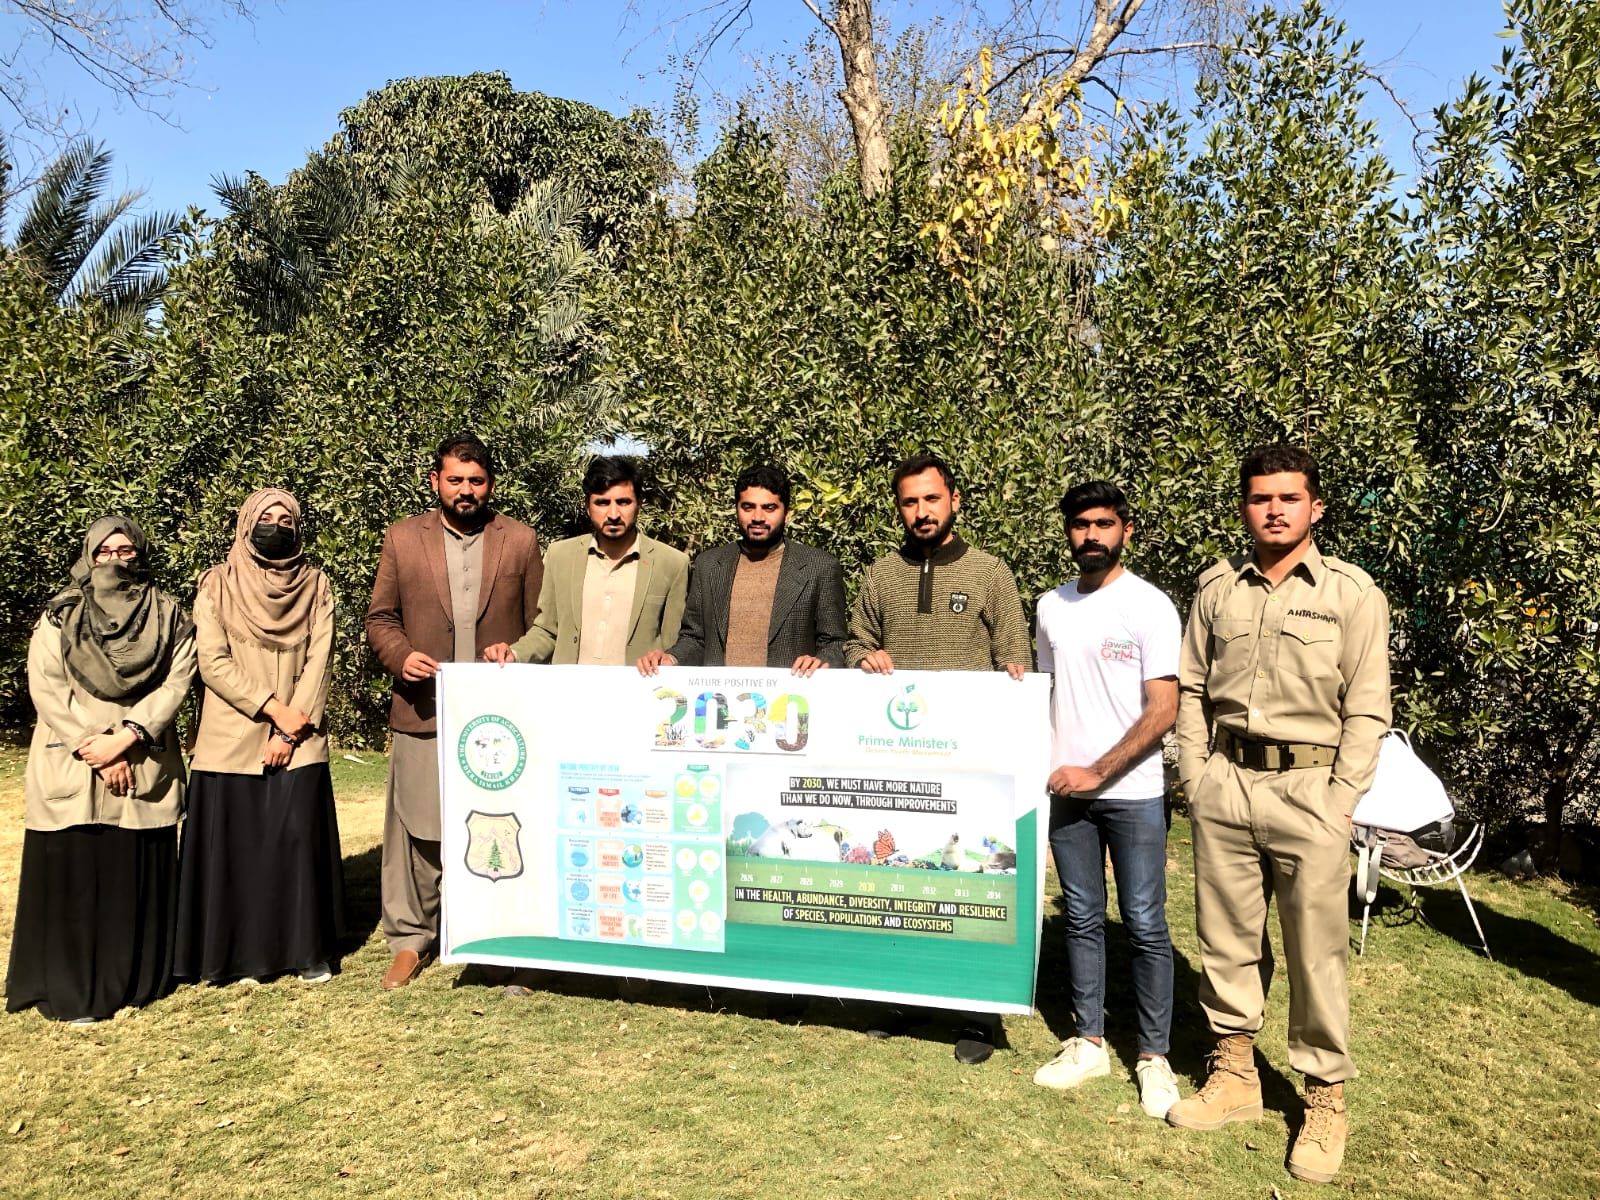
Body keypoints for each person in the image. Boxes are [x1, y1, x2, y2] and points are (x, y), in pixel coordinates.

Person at [1166, 445, 1391, 1186]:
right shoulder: (1217, 592)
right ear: (1244, 507)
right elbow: (1192, 689)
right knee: (1226, 938)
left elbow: (1367, 710)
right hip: (1227, 782)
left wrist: (1338, 802)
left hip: (1309, 792)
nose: (1274, 510)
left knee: (1316, 951)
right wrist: (1197, 776)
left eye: (1289, 498)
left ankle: (1325, 1100)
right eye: (1261, 498)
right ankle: (1234, 1075)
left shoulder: (1352, 594)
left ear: (1315, 507)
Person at [844, 452, 1031, 1064]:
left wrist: (1015, 676)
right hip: (900, 761)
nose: (920, 512)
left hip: (970, 761)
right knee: (905, 877)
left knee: (969, 884)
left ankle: (975, 1011)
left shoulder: (990, 573)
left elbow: (1016, 657)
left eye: (931, 499)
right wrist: (862, 659)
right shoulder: (881, 574)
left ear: (953, 500)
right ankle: (904, 997)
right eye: (909, 502)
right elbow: (853, 642)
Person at [366, 433, 543, 990]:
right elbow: (380, 619)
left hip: (497, 719)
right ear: (435, 482)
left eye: (476, 480)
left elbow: (544, 622)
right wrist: (401, 657)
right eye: (455, 480)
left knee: (500, 826)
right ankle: (411, 939)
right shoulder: (402, 538)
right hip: (425, 707)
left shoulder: (518, 540)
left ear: (490, 483)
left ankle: (496, 940)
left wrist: (515, 653)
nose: (466, 490)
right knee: (418, 826)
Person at [5, 516, 196, 1023]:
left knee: (127, 868)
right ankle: (70, 986)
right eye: (105, 550)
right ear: (88, 556)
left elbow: (178, 680)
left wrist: (129, 737)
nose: (116, 560)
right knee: (77, 870)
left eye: (127, 550)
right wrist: (95, 745)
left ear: (141, 553)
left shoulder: (169, 613)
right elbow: (46, 686)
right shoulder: (59, 614)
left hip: (141, 756)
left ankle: (137, 978)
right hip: (75, 758)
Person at [1030, 481, 1181, 1119]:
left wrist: (1100, 771)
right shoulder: (1049, 606)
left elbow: (1164, 709)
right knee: (1083, 919)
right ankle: (1087, 1041)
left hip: (1134, 792)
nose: (1091, 535)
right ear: (1068, 532)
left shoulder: (1149, 606)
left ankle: (1153, 1058)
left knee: (1145, 924)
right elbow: (1043, 692)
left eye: (1104, 524)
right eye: (1080, 525)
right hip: (1068, 794)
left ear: (1126, 531)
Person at [175, 489, 346, 986]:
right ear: (246, 524)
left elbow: (321, 659)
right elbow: (213, 661)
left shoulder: (316, 585)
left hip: (300, 731)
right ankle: (236, 957)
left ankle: (304, 951)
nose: (277, 525)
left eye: (287, 518)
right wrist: (272, 711)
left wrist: (291, 728)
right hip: (231, 734)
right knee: (239, 848)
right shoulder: (216, 585)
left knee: (293, 844)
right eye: (266, 517)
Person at [636, 464, 846, 677]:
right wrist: (671, 658)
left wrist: (821, 661)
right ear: (737, 508)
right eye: (748, 507)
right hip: (719, 702)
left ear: (787, 513)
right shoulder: (708, 565)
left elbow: (835, 643)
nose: (757, 517)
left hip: (787, 702)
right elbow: (694, 638)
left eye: (769, 508)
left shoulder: (820, 568)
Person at [488, 457, 687, 668]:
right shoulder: (560, 556)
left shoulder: (672, 563)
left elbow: (672, 644)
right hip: (570, 693)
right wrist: (515, 653)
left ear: (639, 504)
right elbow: (547, 631)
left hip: (637, 694)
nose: (613, 514)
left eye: (623, 502)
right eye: (602, 502)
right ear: (587, 506)